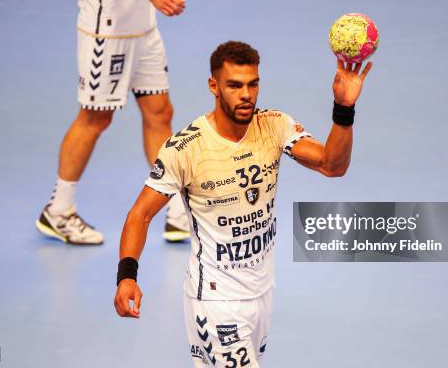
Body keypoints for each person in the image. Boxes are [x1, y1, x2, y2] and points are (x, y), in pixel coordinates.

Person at [114, 41, 373, 366]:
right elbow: (140, 214)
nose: (246, 94)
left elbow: (332, 165)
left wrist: (343, 108)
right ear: (214, 86)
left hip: (261, 291)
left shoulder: (275, 125)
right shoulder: (185, 148)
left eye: (253, 84)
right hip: (215, 299)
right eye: (235, 85)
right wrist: (127, 276)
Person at [35, 0, 190, 245]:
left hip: (144, 27)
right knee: (95, 118)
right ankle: (58, 211)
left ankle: (177, 209)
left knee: (159, 113)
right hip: (106, 33)